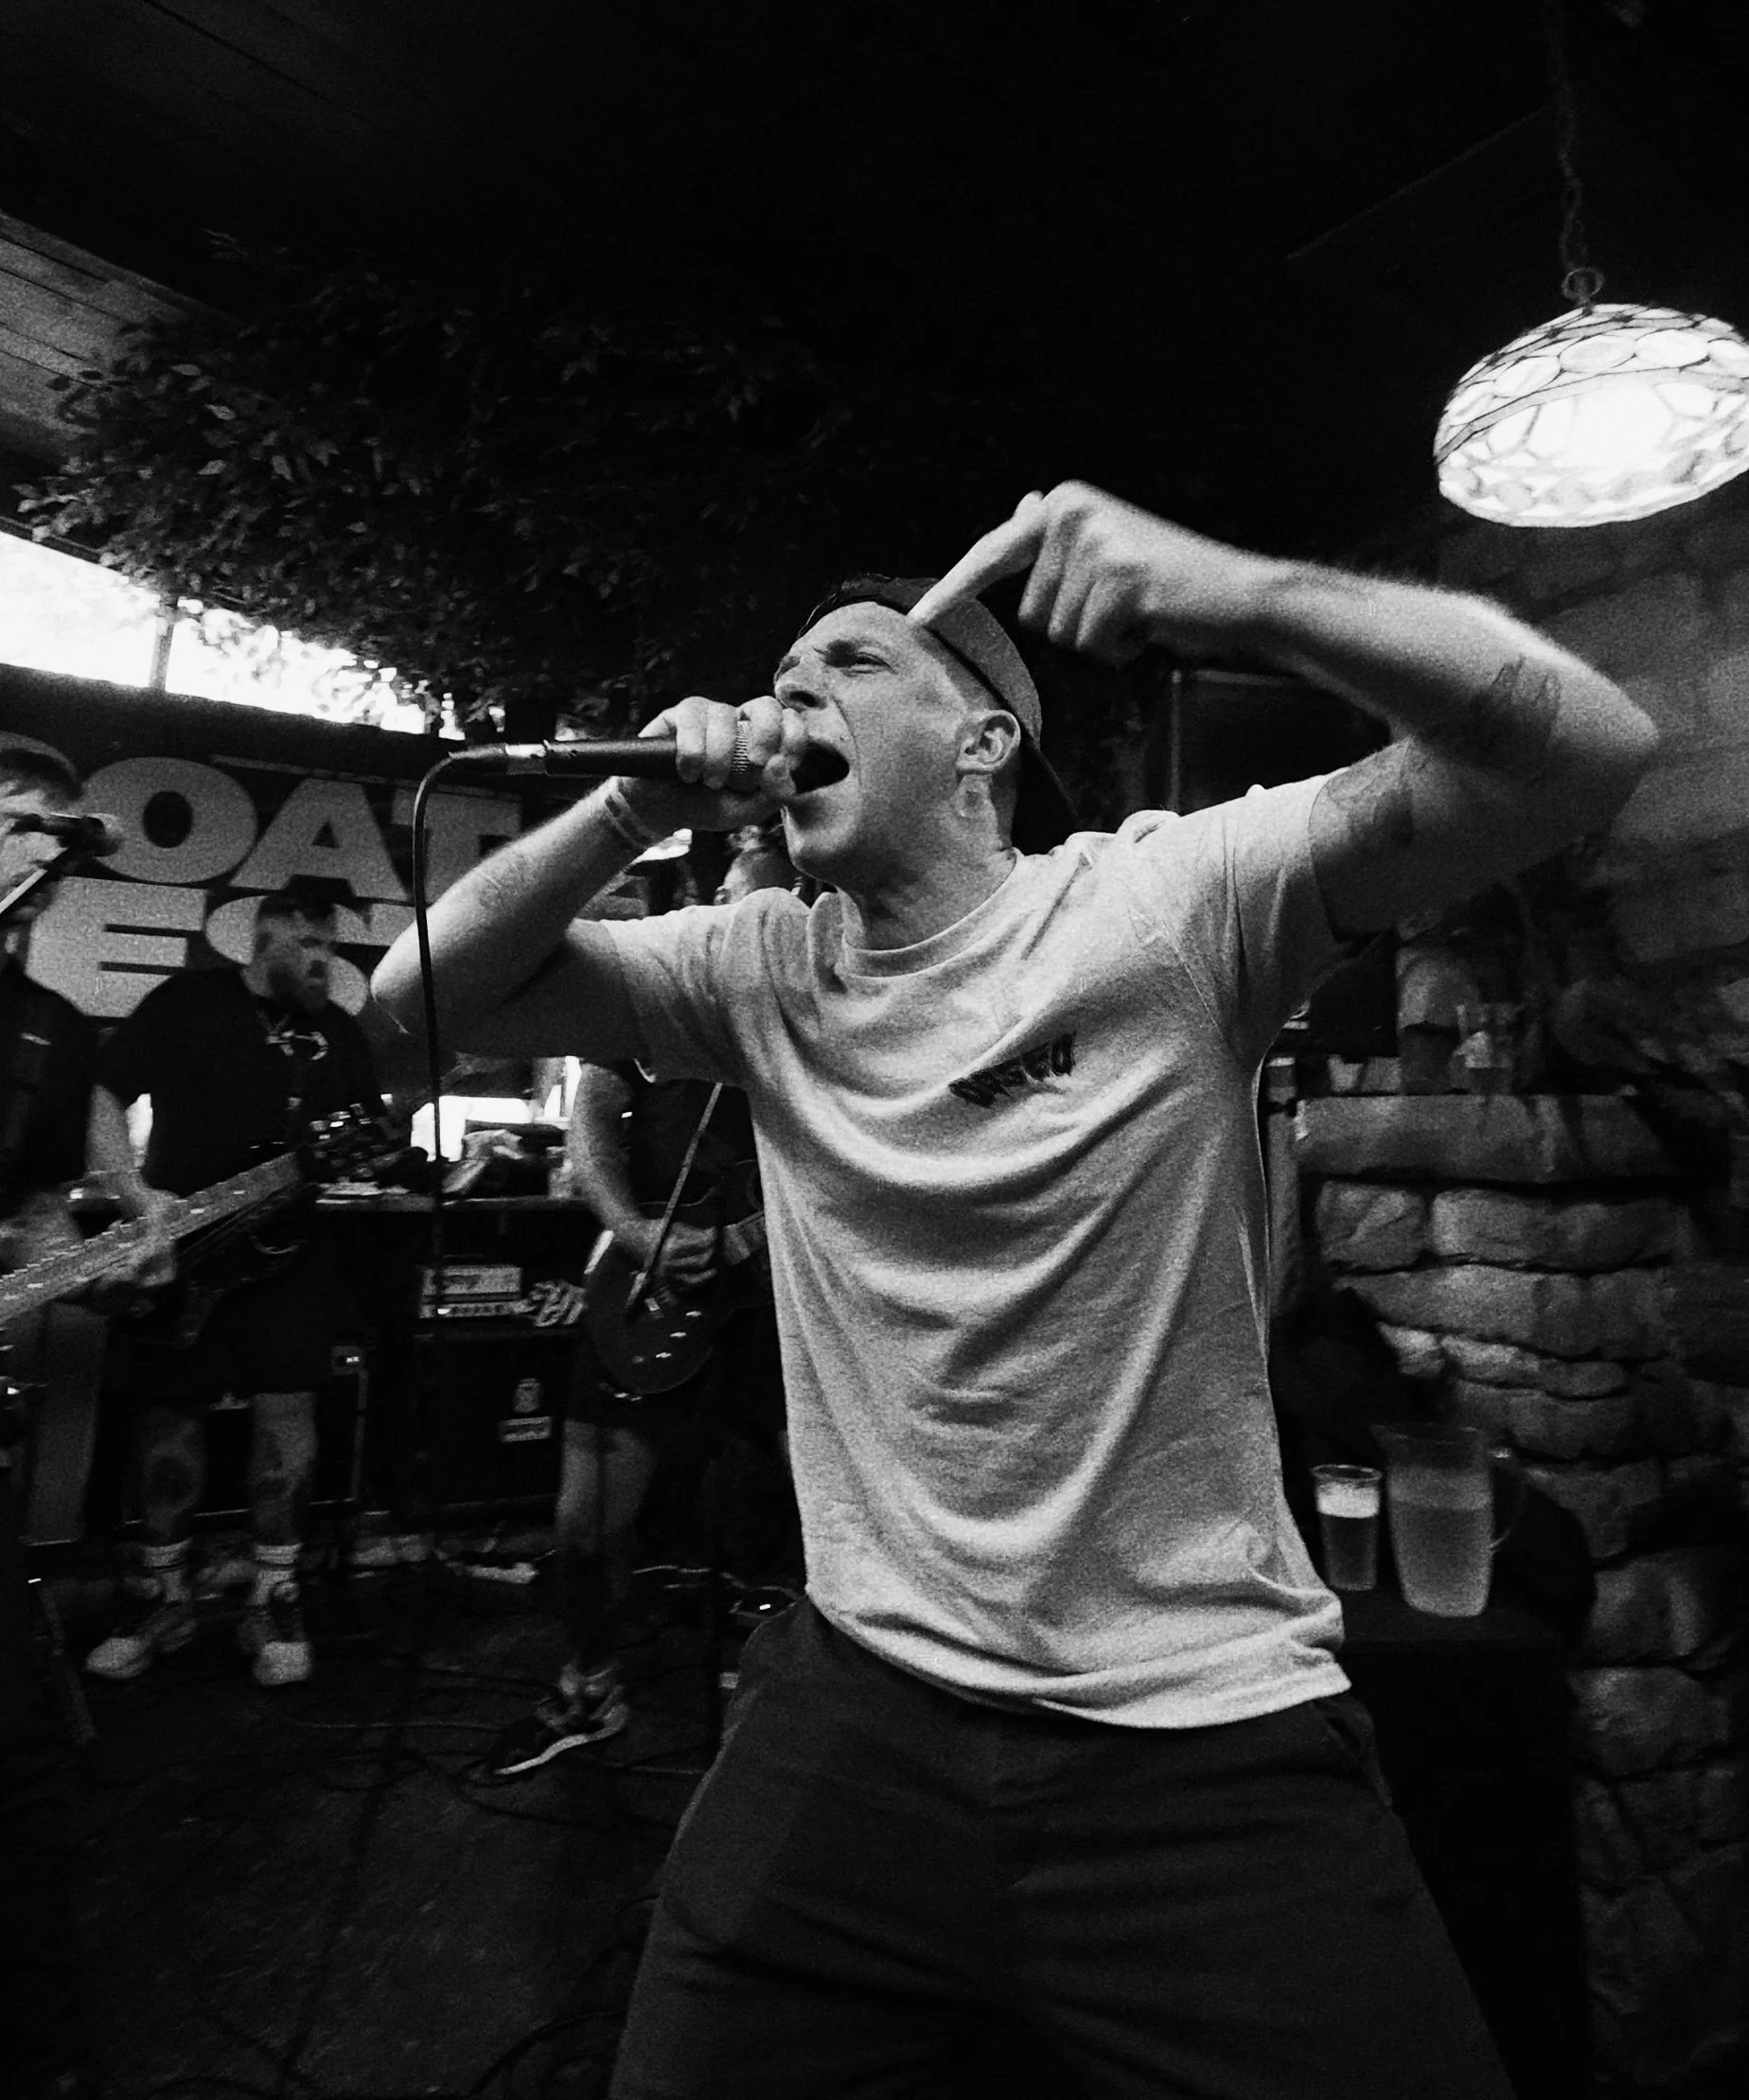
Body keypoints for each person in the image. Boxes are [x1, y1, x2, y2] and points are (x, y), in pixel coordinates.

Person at [374, 480, 1656, 2099]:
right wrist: (628, 805)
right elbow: (410, 1003)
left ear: (979, 740)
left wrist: (1242, 588)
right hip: (856, 1711)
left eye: (847, 662)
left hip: (1192, 1737)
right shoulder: (758, 962)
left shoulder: (1161, 899)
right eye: (778, 675)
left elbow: (1581, 745)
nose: (789, 696)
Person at [487, 834, 794, 1780]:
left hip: (786, 1298)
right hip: (654, 1281)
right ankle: (589, 1681)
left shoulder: (831, 999)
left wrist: (756, 1236)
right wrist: (626, 1224)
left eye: (768, 903)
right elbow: (592, 1117)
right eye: (735, 897)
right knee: (584, 1524)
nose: (746, 921)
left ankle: (803, 1701)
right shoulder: (664, 992)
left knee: (820, 1511)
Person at [83, 879, 382, 1689]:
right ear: (268, 936)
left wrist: (374, 1157)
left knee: (289, 1419)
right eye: (312, 943)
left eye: (334, 947)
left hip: (294, 1256)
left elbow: (369, 1137)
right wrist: (138, 1202)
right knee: (169, 1426)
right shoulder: (189, 1003)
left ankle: (275, 1593)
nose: (326, 961)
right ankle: (162, 1595)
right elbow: (103, 1095)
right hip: (181, 1250)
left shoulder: (340, 1035)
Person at [1, 747, 101, 2100]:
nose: (46, 856)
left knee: (21, 1765)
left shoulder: (51, 1027)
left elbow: (34, 1218)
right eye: (25, 824)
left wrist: (61, 1268)